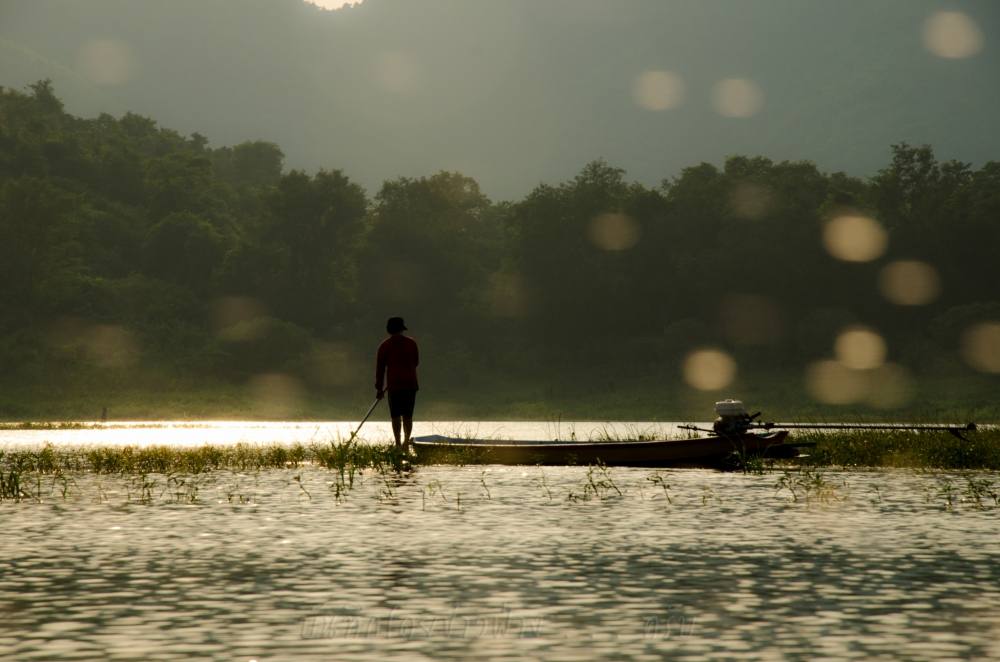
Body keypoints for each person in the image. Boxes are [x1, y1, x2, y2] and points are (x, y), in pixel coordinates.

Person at [375, 316, 419, 447]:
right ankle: (406, 442)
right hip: (410, 384)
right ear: (402, 329)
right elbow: (416, 362)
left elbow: (380, 369)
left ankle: (398, 444)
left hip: (394, 386)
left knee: (395, 416)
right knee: (408, 415)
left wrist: (379, 389)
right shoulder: (412, 343)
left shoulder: (384, 346)